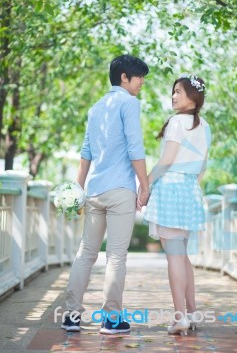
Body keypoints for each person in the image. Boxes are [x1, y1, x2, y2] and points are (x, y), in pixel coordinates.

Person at [61, 54, 150, 334]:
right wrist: (144, 184)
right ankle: (111, 320)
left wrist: (78, 188)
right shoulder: (128, 103)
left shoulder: (96, 107)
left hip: (95, 191)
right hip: (120, 189)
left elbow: (86, 152)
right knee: (115, 256)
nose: (142, 84)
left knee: (85, 254)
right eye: (139, 78)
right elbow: (135, 147)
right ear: (124, 77)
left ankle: (70, 316)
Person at [143, 74, 211, 335]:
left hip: (170, 188)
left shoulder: (176, 122)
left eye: (178, 92)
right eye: (173, 92)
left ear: (193, 97)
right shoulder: (204, 125)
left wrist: (146, 185)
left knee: (174, 256)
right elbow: (202, 165)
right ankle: (191, 313)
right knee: (182, 256)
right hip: (190, 189)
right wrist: (191, 186)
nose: (173, 96)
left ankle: (180, 316)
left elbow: (167, 159)